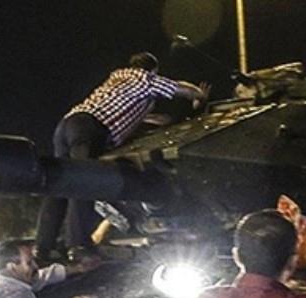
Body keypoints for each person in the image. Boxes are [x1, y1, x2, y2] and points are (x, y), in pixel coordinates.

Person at [35, 52, 207, 259]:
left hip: (67, 126)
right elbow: (182, 89)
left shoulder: (118, 81)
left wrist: (162, 120)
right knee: (83, 181)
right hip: (89, 128)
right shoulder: (143, 78)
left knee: (60, 185)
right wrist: (199, 96)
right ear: (152, 70)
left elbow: (144, 116)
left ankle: (43, 247)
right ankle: (78, 244)